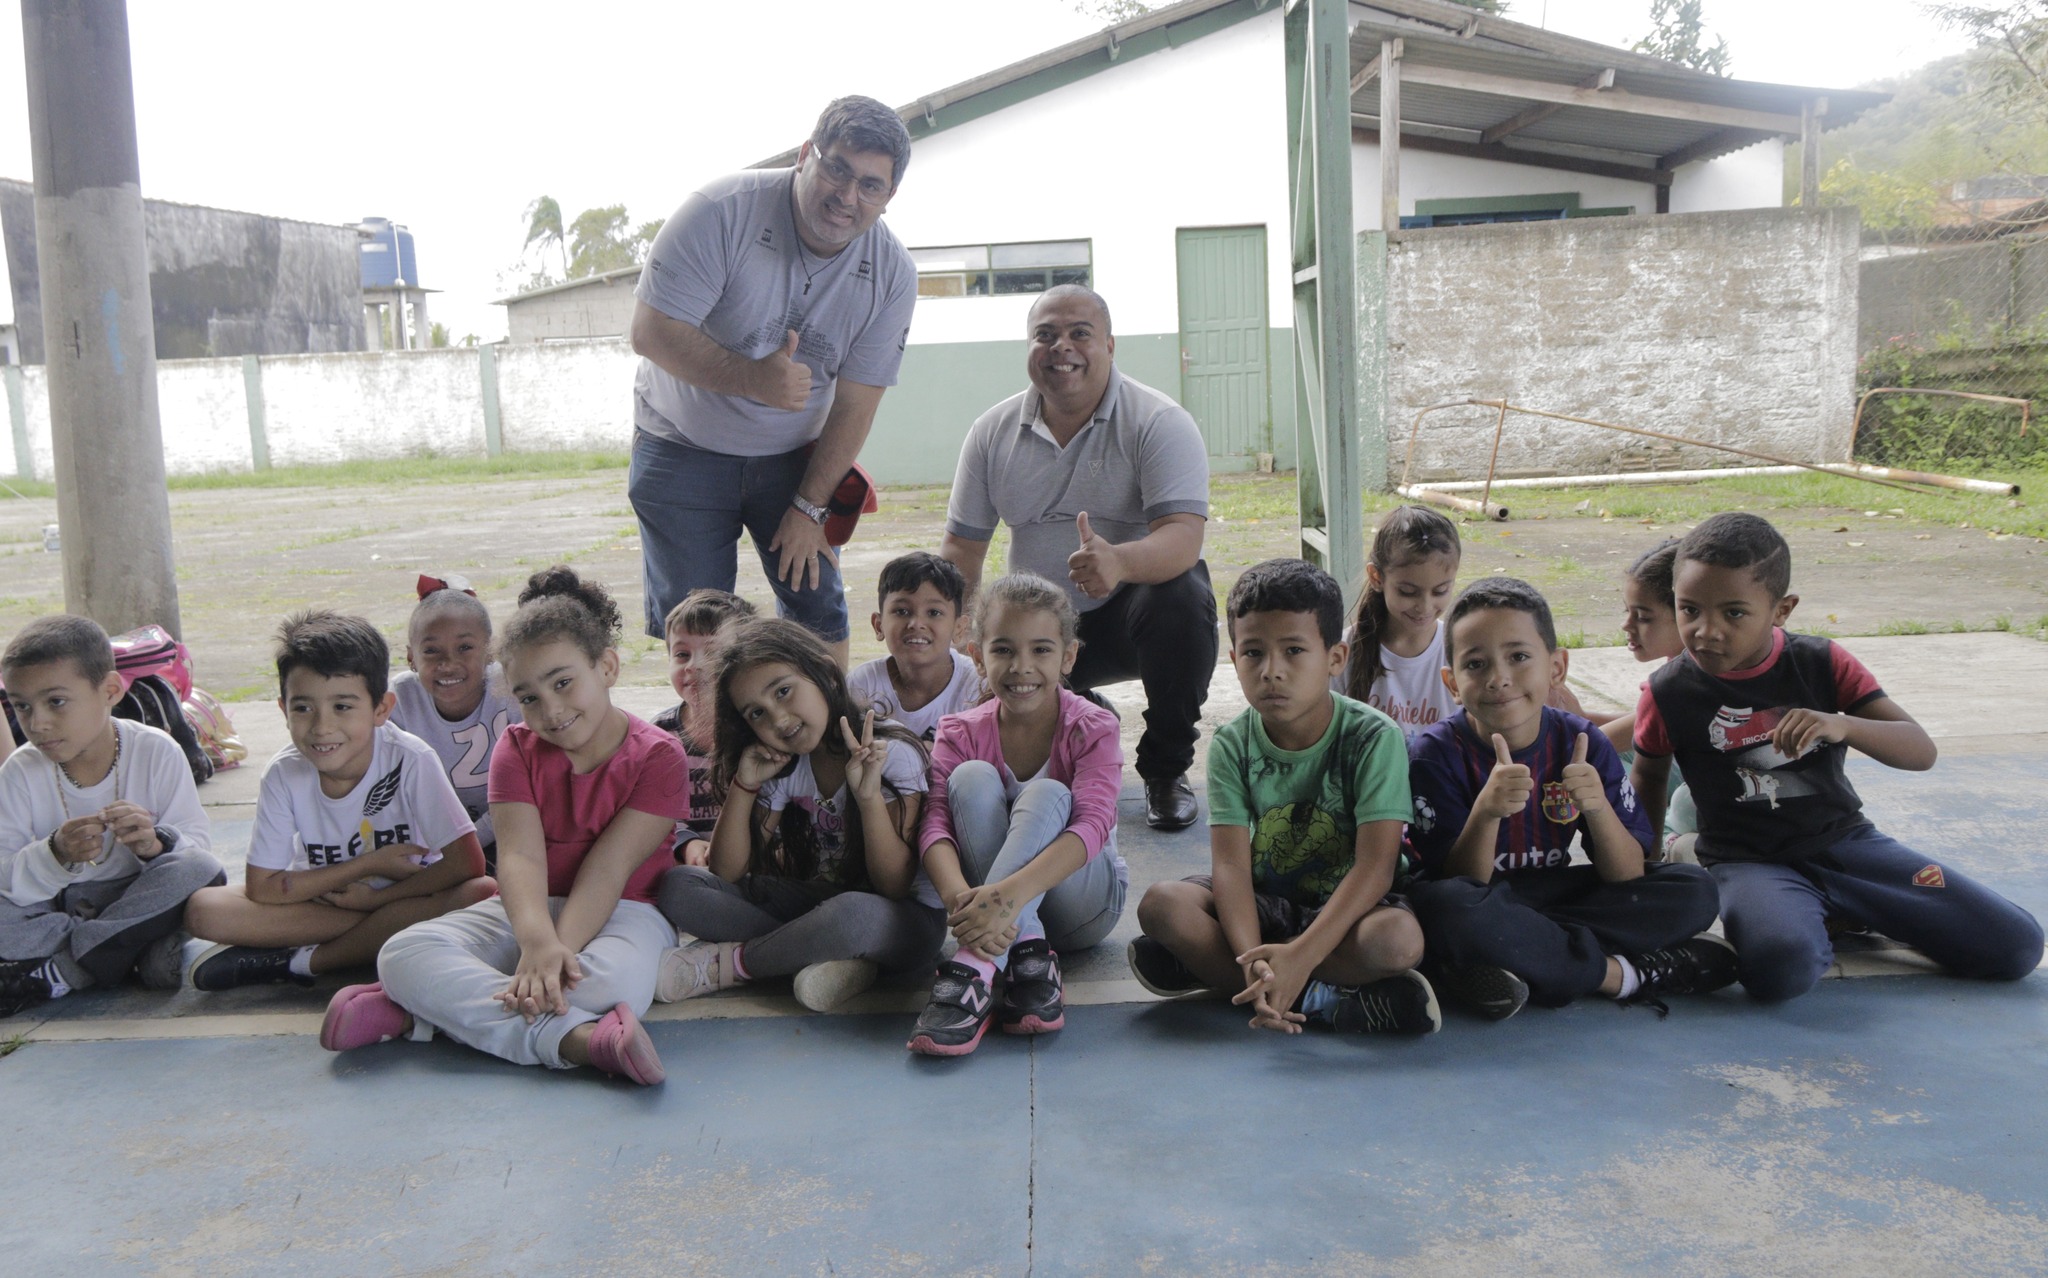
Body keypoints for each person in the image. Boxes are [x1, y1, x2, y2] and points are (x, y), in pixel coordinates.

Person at [1632, 512, 2043, 1002]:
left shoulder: (1822, 662)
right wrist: (1645, 865)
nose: (1706, 630)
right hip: (1747, 860)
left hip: (1846, 844)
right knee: (1778, 970)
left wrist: (1843, 723)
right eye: (1689, 609)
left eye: (1734, 612)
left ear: (1781, 610)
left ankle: (1841, 910)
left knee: (2015, 947)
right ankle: (1802, 907)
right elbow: (1648, 776)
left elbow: (1920, 750)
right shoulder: (1668, 691)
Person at [324, 568, 692, 1085]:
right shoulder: (515, 748)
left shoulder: (659, 755)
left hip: (626, 911)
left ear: (606, 666)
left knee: (613, 987)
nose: (552, 709)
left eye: (563, 682)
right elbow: (518, 857)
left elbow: (608, 869)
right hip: (525, 905)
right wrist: (538, 943)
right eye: (529, 696)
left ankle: (417, 1017)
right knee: (401, 953)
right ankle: (571, 1040)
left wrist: (550, 955)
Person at [627, 95, 918, 666]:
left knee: (819, 609)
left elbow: (857, 403)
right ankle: (707, 750)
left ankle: (829, 742)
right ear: (806, 154)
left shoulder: (892, 272)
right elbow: (649, 331)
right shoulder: (720, 209)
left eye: (869, 184)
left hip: (792, 458)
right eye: (836, 167)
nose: (846, 196)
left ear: (888, 197)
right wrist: (752, 379)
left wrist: (811, 508)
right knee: (699, 625)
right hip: (681, 445)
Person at [941, 284, 1215, 830]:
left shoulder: (1159, 422)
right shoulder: (991, 432)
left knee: (1184, 596)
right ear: (1028, 347)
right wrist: (956, 625)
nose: (1060, 347)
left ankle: (1165, 768)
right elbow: (963, 550)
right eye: (1045, 335)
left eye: (1079, 334)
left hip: (1127, 623)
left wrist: (1122, 562)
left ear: (1110, 345)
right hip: (1038, 630)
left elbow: (1184, 535)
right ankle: (1079, 707)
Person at [1129, 558, 1440, 1035]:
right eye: (1253, 653)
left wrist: (1303, 952)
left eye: (1294, 650)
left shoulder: (1374, 736)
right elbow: (1230, 868)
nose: (1272, 671)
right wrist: (1253, 953)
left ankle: (1216, 975)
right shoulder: (1233, 742)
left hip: (1350, 909)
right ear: (1234, 660)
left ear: (1334, 658)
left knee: (1398, 943)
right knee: (1160, 906)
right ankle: (1320, 999)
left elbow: (1376, 868)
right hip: (1266, 899)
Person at [1405, 577, 1733, 1021]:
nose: (1500, 678)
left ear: (1556, 667)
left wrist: (1596, 807)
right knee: (1443, 910)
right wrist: (1486, 813)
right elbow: (1463, 885)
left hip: (1550, 900)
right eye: (1476, 664)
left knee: (1694, 890)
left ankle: (1517, 960)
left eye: (1519, 657)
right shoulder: (1433, 754)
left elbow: (1626, 874)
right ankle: (1623, 976)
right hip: (1484, 902)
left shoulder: (1581, 741)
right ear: (1452, 682)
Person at [182, 611, 494, 991]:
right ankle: (375, 940)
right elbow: (263, 887)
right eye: (303, 708)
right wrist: (368, 867)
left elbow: (468, 863)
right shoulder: (284, 773)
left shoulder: (411, 758)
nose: (321, 727)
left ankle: (305, 960)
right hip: (325, 904)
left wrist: (377, 898)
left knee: (481, 894)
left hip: (406, 895)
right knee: (203, 910)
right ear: (283, 709)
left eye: (342, 707)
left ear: (381, 709)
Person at [655, 618, 940, 1013]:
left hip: (899, 922)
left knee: (852, 916)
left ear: (824, 673)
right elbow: (727, 871)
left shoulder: (888, 753)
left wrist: (868, 796)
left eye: (784, 692)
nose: (778, 719)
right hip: (819, 903)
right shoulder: (786, 764)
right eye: (756, 713)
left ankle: (739, 964)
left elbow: (893, 886)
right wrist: (745, 784)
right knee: (679, 885)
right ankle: (824, 957)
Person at [907, 573, 1128, 1057]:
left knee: (1050, 794)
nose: (1021, 667)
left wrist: (1005, 899)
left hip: (1083, 906)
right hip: (992, 910)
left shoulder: (1092, 726)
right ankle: (1027, 956)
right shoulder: (958, 731)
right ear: (976, 653)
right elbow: (936, 826)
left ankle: (971, 969)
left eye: (1042, 650)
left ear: (1068, 656)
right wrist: (962, 903)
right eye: (1003, 649)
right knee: (969, 778)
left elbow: (1093, 826)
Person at [0, 616, 223, 1017]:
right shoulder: (20, 771)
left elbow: (196, 852)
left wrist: (155, 843)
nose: (37, 723)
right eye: (21, 707)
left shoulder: (156, 751)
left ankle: (63, 972)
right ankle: (128, 951)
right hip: (58, 911)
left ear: (109, 690)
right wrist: (54, 853)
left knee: (198, 868)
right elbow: (6, 875)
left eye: (56, 702)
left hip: (138, 896)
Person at [388, 579, 517, 870]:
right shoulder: (397, 700)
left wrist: (466, 843)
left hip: (512, 827)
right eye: (432, 651)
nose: (448, 663)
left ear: (490, 651)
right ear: (411, 657)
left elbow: (532, 790)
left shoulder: (512, 690)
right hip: (431, 842)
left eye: (465, 647)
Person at [1599, 539, 1700, 862]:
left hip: (1708, 790)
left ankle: (1670, 842)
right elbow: (1639, 723)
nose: (1626, 625)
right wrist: (1573, 714)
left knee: (1597, 763)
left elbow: (1602, 740)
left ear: (1686, 614)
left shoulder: (1681, 679)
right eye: (1627, 612)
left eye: (1642, 616)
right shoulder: (1681, 664)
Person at [1336, 505, 1462, 742]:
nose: (1424, 606)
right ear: (1376, 577)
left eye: (1440, 591)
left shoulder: (1460, 651)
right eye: (1407, 592)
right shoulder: (1342, 652)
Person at [653, 588, 758, 868]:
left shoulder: (760, 727)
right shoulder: (659, 736)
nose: (695, 666)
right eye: (682, 654)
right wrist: (686, 843)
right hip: (692, 869)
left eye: (712, 652)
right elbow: (654, 810)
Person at [847, 551, 980, 743]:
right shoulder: (862, 686)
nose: (916, 623)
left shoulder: (975, 687)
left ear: (959, 628)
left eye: (934, 612)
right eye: (901, 611)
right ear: (878, 625)